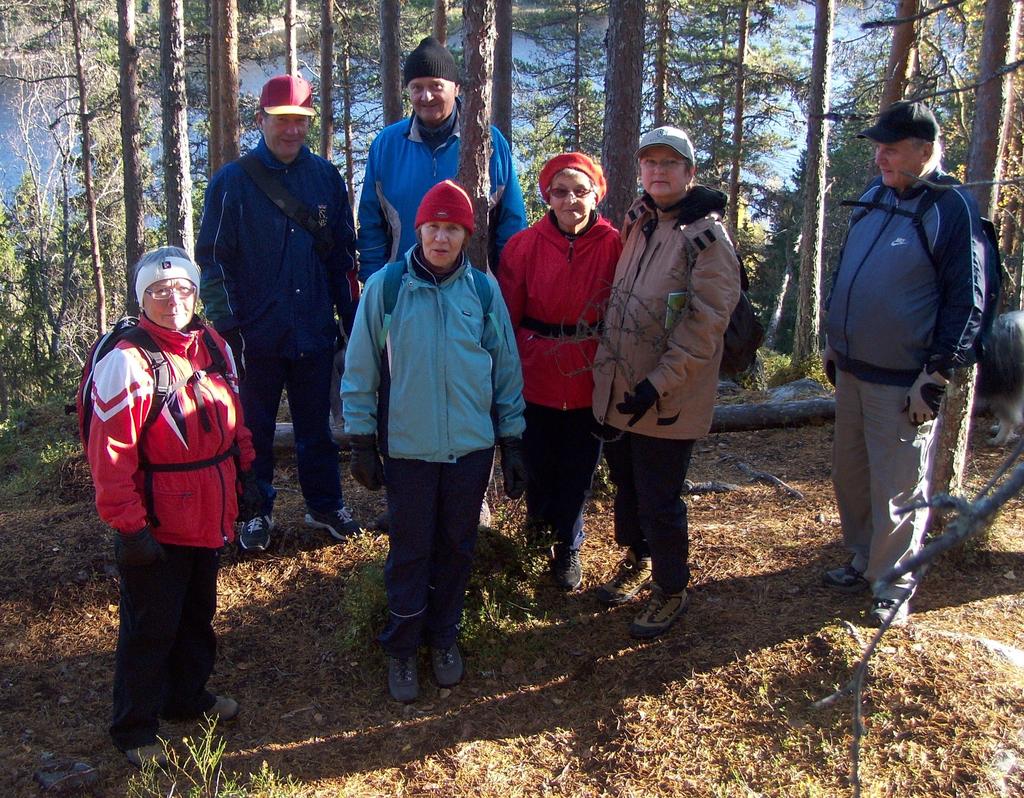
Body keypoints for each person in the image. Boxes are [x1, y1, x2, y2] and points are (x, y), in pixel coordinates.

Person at [342, 180, 527, 702]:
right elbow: (360, 368)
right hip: (408, 449)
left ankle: (444, 637)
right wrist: (360, 437)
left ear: (466, 235)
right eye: (433, 227)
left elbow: (506, 370)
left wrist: (512, 440)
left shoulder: (483, 291)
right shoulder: (388, 286)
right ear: (418, 229)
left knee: (456, 547)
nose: (441, 238)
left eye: (452, 229)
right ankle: (401, 648)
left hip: (471, 449)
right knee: (410, 551)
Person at [86, 247, 258, 768]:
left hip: (210, 510)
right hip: (156, 523)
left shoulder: (213, 347)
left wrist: (246, 472)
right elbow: (109, 457)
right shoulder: (126, 362)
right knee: (149, 626)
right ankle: (134, 727)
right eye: (159, 291)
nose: (173, 299)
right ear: (142, 299)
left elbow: (234, 418)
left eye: (183, 289)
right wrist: (129, 528)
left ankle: (187, 697)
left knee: (196, 614)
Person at [823, 101, 987, 626]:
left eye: (890, 149)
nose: (880, 159)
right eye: (877, 148)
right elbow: (848, 267)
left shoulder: (951, 208)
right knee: (852, 476)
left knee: (897, 488)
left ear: (925, 150)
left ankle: (892, 585)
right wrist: (831, 337)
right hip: (850, 368)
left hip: (902, 380)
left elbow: (969, 300)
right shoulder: (875, 196)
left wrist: (936, 373)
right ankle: (861, 557)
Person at [197, 74, 361, 551]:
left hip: (312, 329)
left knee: (318, 429)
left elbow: (342, 259)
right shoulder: (232, 182)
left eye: (301, 121)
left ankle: (325, 506)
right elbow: (213, 259)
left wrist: (350, 323)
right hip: (255, 335)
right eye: (282, 120)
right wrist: (229, 329)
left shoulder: (325, 178)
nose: (292, 130)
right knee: (253, 431)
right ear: (261, 119)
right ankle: (254, 512)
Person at [592, 126, 741, 639]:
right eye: (650, 162)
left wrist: (657, 385)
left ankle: (671, 587)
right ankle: (638, 559)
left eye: (670, 163)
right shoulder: (641, 222)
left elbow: (705, 328)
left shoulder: (707, 238)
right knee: (628, 491)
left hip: (666, 398)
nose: (658, 171)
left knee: (659, 499)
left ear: (690, 172)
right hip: (620, 392)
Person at [497, 153, 622, 590]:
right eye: (560, 191)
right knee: (537, 465)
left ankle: (569, 545)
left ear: (596, 194)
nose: (571, 199)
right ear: (546, 196)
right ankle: (536, 535)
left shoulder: (614, 245)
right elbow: (507, 319)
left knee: (578, 469)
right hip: (536, 374)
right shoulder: (523, 246)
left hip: (591, 375)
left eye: (580, 190)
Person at [356, 35, 527, 281]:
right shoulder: (387, 145)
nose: (426, 97)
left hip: (472, 293)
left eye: (436, 86)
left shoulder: (488, 141)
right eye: (417, 87)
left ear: (456, 87)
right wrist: (375, 285)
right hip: (404, 290)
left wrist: (508, 291)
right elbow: (371, 224)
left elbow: (511, 226)